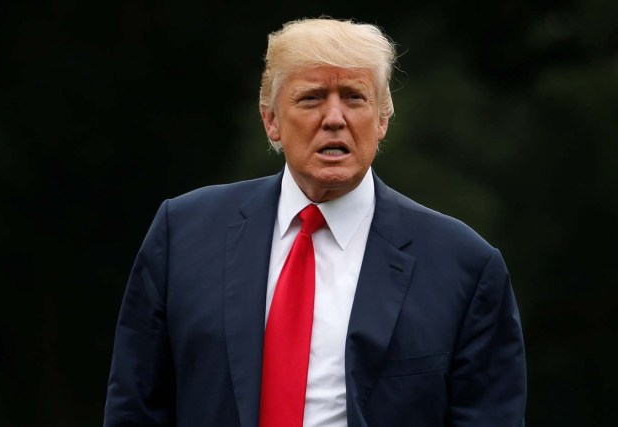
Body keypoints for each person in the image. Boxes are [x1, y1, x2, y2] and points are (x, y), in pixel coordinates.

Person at [103, 17, 527, 427]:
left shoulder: (464, 265)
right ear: (271, 120)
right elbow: (136, 408)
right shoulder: (184, 234)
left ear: (382, 119)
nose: (335, 118)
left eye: (354, 97)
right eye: (311, 98)